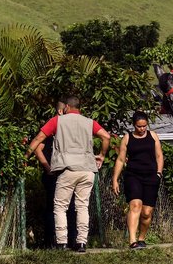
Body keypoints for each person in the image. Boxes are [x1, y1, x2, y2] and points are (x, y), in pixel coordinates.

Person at [28, 95, 110, 252]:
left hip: (67, 168)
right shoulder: (89, 122)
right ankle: (81, 243)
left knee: (59, 206)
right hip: (87, 169)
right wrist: (101, 155)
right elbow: (106, 136)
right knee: (82, 206)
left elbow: (39, 138)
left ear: (66, 107)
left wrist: (25, 156)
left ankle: (62, 242)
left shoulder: (57, 121)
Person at [26, 98, 77, 249]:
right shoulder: (53, 124)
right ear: (62, 111)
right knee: (54, 208)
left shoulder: (70, 127)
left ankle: (71, 240)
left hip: (69, 172)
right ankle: (51, 241)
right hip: (54, 175)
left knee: (71, 207)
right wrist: (48, 168)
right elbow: (37, 147)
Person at [111, 111, 164, 250]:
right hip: (133, 176)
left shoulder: (153, 136)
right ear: (134, 125)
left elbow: (159, 156)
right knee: (135, 205)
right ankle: (132, 240)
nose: (142, 129)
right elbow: (121, 159)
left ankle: (141, 238)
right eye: (139, 126)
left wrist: (158, 173)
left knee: (146, 213)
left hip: (151, 177)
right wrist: (115, 179)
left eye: (144, 126)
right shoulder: (127, 138)